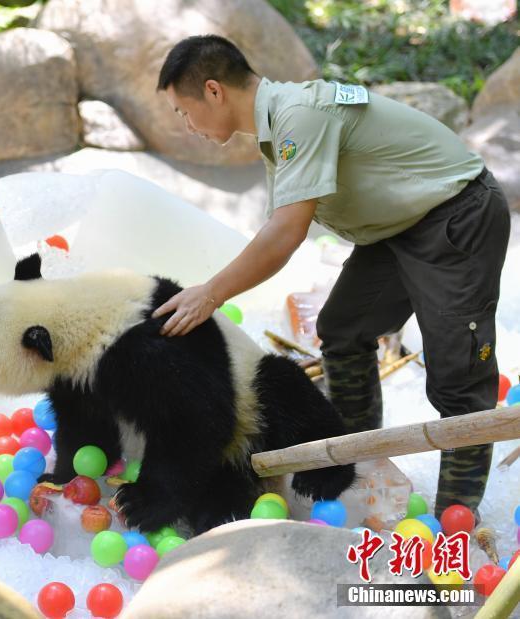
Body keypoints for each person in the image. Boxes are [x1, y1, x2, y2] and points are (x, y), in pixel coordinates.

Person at [153, 35, 509, 518]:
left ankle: (453, 532)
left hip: (455, 215)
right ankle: (357, 467)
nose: (187, 126)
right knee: (343, 330)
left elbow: (285, 233)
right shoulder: (276, 126)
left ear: (214, 91)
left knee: (460, 386)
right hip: (400, 229)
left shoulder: (298, 116)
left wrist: (209, 294)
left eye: (183, 111)